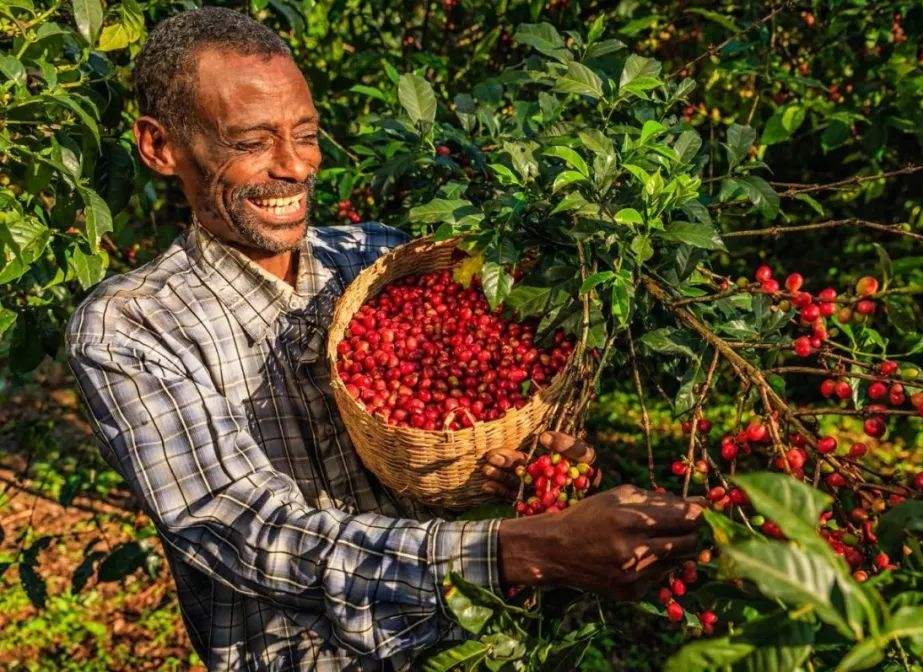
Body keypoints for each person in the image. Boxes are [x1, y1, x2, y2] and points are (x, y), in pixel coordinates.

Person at [66, 7, 702, 671]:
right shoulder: (131, 326)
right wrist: (523, 548)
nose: (294, 165)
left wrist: (527, 474)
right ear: (160, 147)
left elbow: (457, 441)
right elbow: (250, 534)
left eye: (306, 135)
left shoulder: (378, 258)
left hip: (473, 647)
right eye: (250, 143)